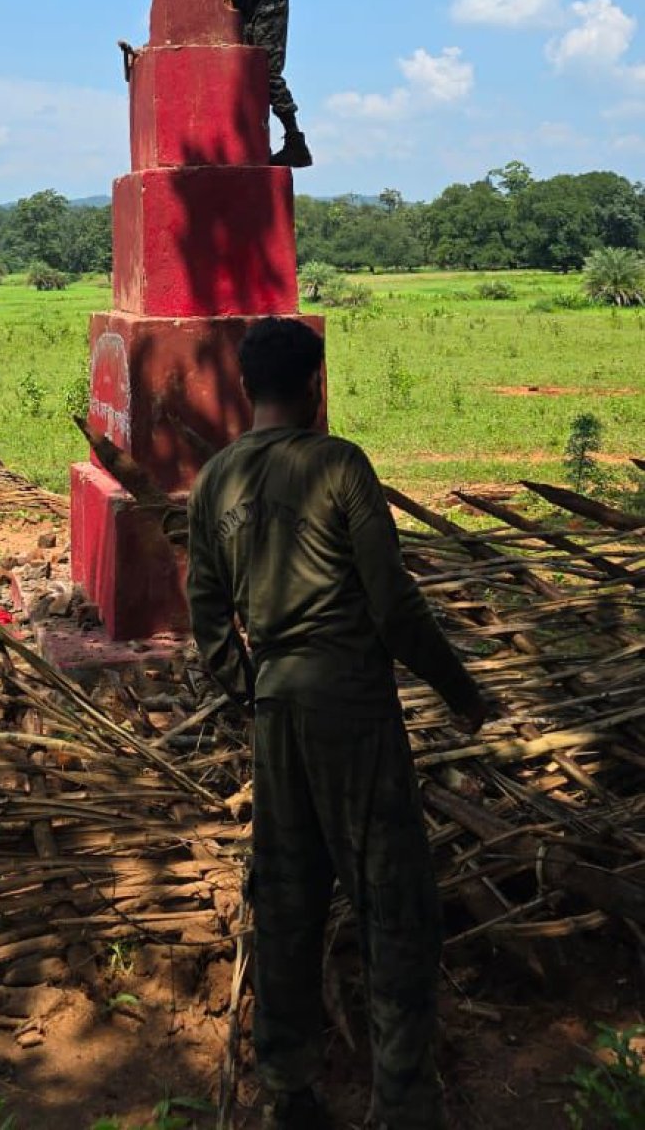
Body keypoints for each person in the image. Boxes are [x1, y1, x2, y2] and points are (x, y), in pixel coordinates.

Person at [187, 318, 495, 1130]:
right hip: (352, 704)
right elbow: (394, 605)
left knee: (287, 898)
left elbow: (208, 618)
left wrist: (252, 687)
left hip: (278, 709)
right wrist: (461, 691)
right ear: (318, 385)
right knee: (394, 898)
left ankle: (291, 1090)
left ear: (248, 389)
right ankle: (402, 1099)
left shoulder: (214, 481)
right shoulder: (339, 466)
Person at [145, 0, 312, 168]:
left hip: (267, 2)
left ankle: (295, 142)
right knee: (241, 77)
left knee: (266, 72)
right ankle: (257, 144)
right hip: (245, 15)